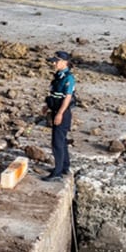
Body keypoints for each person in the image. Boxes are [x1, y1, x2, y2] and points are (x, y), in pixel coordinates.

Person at [43, 51, 76, 182]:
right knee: (61, 141)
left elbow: (67, 98)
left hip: (62, 113)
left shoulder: (69, 78)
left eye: (56, 61)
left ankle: (57, 172)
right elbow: (54, 93)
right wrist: (47, 106)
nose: (54, 63)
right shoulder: (58, 76)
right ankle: (64, 167)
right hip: (55, 109)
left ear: (64, 62)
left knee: (57, 142)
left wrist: (60, 114)